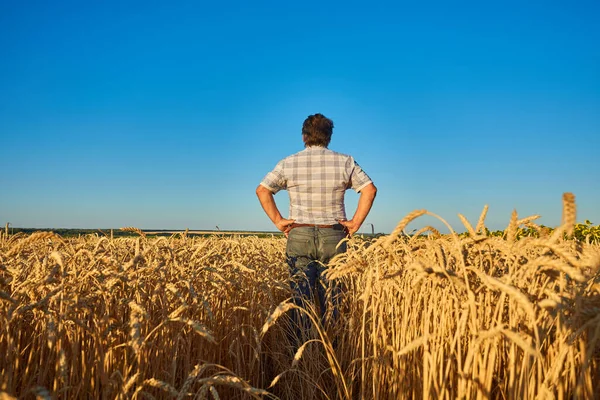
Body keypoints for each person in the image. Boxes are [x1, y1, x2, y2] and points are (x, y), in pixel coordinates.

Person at [256, 113, 377, 341]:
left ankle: (300, 358)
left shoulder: (288, 162)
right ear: (329, 137)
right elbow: (369, 189)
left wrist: (279, 222)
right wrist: (355, 223)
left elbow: (262, 190)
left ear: (304, 137)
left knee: (300, 299)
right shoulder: (345, 161)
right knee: (333, 299)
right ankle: (331, 353)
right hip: (334, 236)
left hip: (299, 234)